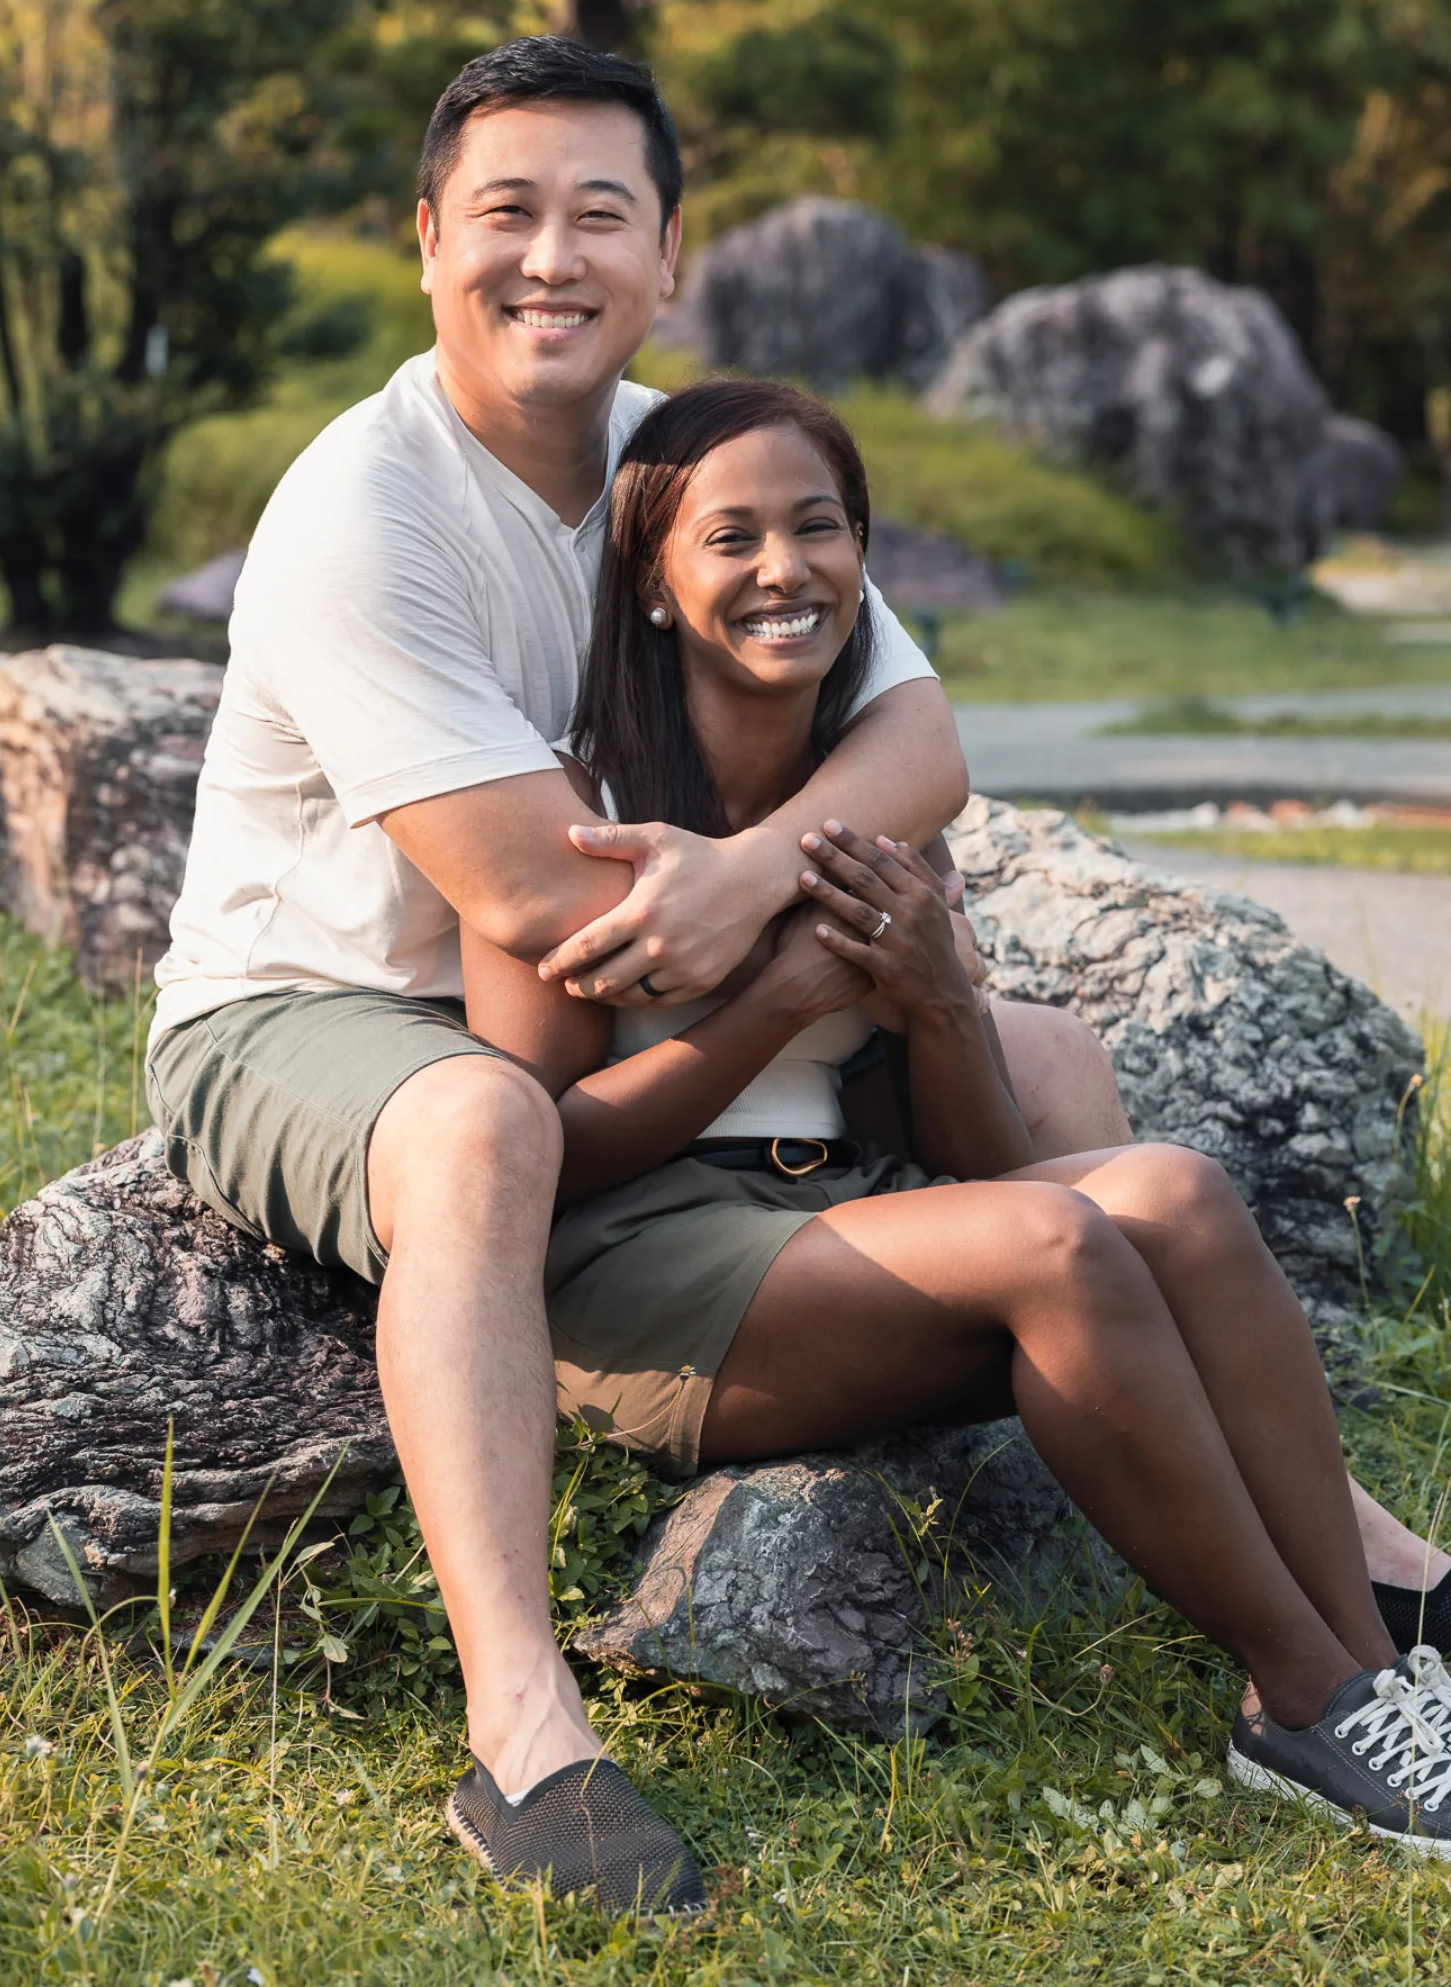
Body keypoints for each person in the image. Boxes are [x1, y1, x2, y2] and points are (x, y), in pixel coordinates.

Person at [144, 35, 1446, 1913]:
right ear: (429, 242)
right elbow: (530, 896)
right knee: (484, 1129)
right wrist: (807, 954)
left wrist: (779, 879)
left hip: (634, 1024)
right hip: (333, 1003)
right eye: (506, 212)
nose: (552, 257)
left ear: (670, 252)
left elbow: (918, 738)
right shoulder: (369, 509)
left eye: (604, 214)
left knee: (1058, 1066)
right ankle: (524, 1730)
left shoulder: (693, 467)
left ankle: (1367, 1572)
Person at [459, 374, 1451, 1888]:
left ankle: (1372, 1677)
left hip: (835, 1218)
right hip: (638, 1269)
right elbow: (542, 1160)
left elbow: (972, 1152)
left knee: (1174, 1193)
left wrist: (936, 1006)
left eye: (821, 528)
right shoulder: (576, 810)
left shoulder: (870, 805)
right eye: (733, 538)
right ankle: (1300, 1700)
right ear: (655, 580)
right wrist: (773, 1004)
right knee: (1057, 1239)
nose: (784, 567)